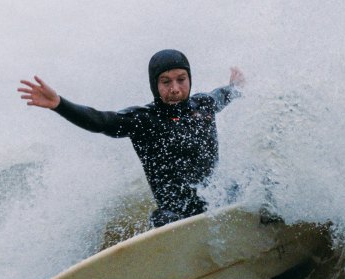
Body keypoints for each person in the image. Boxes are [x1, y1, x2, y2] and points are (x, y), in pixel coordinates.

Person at [18, 49, 245, 228]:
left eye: (181, 79)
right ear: (154, 85)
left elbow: (225, 94)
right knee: (163, 220)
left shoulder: (204, 104)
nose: (175, 88)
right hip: (176, 215)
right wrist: (60, 104)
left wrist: (234, 86)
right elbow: (101, 121)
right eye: (166, 82)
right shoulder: (143, 120)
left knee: (250, 185)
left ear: (189, 78)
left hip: (217, 201)